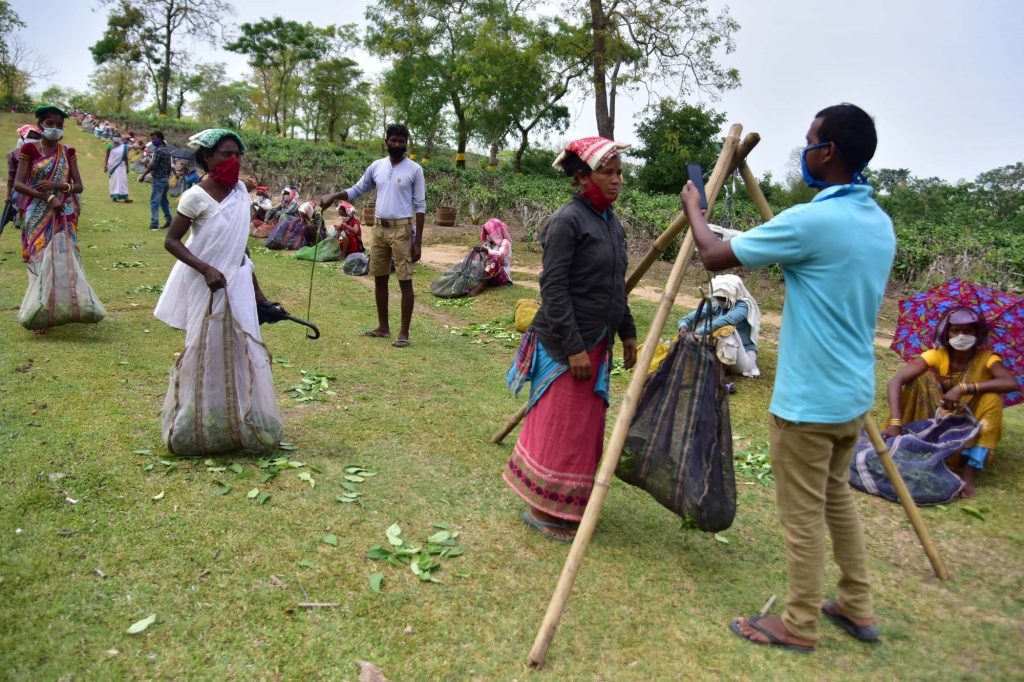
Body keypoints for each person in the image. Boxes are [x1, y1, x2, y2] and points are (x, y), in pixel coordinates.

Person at [682, 104, 895, 652]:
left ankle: (798, 623)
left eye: (810, 142)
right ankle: (856, 603)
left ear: (828, 153)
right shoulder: (876, 219)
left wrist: (694, 210)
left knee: (802, 517)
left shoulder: (813, 221)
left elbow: (712, 256)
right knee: (835, 499)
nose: (804, 150)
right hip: (851, 395)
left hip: (808, 402)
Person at [503, 136, 638, 542]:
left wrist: (628, 333)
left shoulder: (611, 224)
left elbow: (616, 285)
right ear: (582, 178)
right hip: (567, 345)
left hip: (598, 341)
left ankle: (567, 505)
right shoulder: (567, 222)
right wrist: (576, 348)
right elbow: (555, 290)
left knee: (582, 429)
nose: (617, 181)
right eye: (608, 173)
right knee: (562, 426)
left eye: (619, 173)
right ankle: (543, 507)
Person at [882, 307, 1017, 497]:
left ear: (978, 334)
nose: (962, 335)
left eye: (968, 331)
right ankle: (908, 441)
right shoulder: (937, 355)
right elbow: (896, 381)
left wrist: (964, 388)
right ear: (946, 333)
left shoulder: (987, 359)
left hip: (970, 419)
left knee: (992, 399)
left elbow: (1010, 382)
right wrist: (895, 421)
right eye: (956, 330)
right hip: (938, 415)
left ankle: (969, 474)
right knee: (922, 379)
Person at [155, 128, 271, 348]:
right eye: (227, 154)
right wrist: (206, 270)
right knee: (205, 343)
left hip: (238, 281)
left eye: (238, 155)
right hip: (207, 283)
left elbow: (241, 248)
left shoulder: (240, 192)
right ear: (207, 157)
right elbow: (171, 241)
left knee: (241, 343)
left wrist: (258, 293)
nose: (234, 160)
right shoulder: (194, 196)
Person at [319, 123, 425, 348]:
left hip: (402, 230)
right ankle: (383, 327)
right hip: (378, 228)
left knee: (405, 281)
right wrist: (333, 196)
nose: (397, 144)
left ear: (406, 143)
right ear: (386, 141)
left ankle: (404, 333)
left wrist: (419, 242)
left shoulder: (415, 169)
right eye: (393, 140)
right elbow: (358, 189)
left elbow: (421, 206)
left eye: (401, 141)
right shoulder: (376, 166)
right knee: (379, 277)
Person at [14, 104, 83, 264]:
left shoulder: (68, 151)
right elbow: (18, 184)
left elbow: (79, 186)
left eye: (59, 125)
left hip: (63, 210)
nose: (55, 128)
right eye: (50, 123)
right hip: (37, 210)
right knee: (39, 259)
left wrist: (57, 185)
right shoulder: (29, 149)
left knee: (63, 261)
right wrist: (47, 197)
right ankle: (41, 290)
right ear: (40, 126)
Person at [677, 273, 761, 385]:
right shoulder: (717, 304)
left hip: (744, 358)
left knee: (726, 329)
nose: (720, 300)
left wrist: (696, 333)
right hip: (724, 353)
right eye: (718, 297)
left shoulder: (744, 307)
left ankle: (719, 370)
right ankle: (704, 361)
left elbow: (726, 320)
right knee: (701, 320)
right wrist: (683, 326)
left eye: (723, 298)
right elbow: (693, 316)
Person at [468, 218, 513, 297]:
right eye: (486, 233)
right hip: (488, 275)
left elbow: (500, 254)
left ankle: (480, 287)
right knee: (475, 255)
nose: (488, 235)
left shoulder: (505, 242)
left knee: (493, 260)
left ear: (497, 232)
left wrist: (486, 251)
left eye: (489, 232)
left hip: (501, 276)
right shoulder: (488, 243)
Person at [138, 131, 173, 230]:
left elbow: (153, 165)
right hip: (165, 179)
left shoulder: (158, 151)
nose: (152, 141)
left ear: (160, 139)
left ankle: (154, 223)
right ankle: (169, 220)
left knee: (154, 202)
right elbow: (169, 167)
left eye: (154, 139)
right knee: (163, 201)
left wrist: (143, 175)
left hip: (158, 179)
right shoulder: (167, 151)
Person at [6, 123, 40, 200]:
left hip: (37, 190)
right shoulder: (13, 154)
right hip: (20, 191)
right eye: (29, 137)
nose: (32, 139)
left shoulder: (40, 153)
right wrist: (8, 195)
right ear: (22, 137)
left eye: (34, 138)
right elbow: (11, 176)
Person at [104, 133, 133, 203]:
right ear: (112, 137)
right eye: (115, 136)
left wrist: (127, 167)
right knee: (113, 181)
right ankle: (114, 196)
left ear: (120, 138)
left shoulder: (124, 147)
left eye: (117, 136)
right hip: (112, 166)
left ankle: (125, 197)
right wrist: (105, 165)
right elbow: (107, 156)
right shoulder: (109, 146)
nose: (116, 137)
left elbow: (125, 157)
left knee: (123, 181)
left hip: (121, 166)